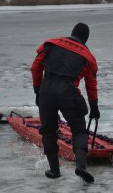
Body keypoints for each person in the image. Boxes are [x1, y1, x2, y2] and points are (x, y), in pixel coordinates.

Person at [31, 23, 100, 183]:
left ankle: (54, 171)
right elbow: (91, 85)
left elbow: (35, 67)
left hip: (46, 91)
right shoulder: (88, 57)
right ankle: (81, 166)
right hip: (69, 94)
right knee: (79, 131)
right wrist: (94, 107)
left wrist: (37, 90)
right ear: (86, 38)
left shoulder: (50, 44)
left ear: (72, 33)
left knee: (48, 131)